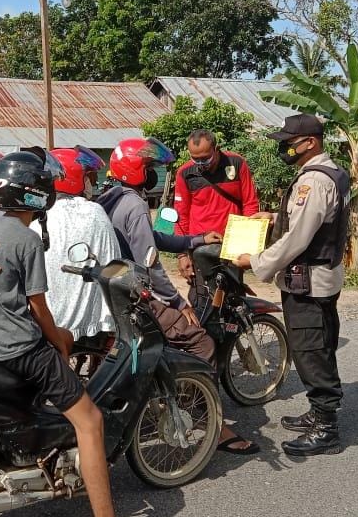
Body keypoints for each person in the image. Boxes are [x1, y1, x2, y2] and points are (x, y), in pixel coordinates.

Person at [0, 151, 114, 517]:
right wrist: (59, 342)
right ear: (35, 193)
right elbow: (39, 309)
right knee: (91, 422)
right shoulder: (27, 240)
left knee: (62, 341)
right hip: (20, 349)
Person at [97, 137, 258, 456]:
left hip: (114, 290)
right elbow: (151, 263)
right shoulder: (135, 204)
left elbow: (152, 237)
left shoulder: (110, 199)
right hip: (137, 294)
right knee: (201, 341)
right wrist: (178, 302)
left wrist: (194, 241)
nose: (152, 174)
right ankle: (209, 419)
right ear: (136, 170)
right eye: (148, 168)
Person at [235, 114, 350, 457]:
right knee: (319, 345)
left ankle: (326, 429)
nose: (285, 148)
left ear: (310, 142)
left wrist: (256, 261)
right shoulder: (333, 172)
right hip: (322, 277)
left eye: (289, 143)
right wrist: (273, 218)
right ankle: (318, 412)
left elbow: (298, 237)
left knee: (311, 351)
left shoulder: (313, 181)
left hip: (308, 282)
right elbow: (314, 220)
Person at [32, 146, 118, 340]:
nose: (91, 183)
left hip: (47, 321)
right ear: (73, 178)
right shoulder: (94, 212)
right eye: (87, 177)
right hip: (93, 323)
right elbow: (112, 261)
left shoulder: (38, 218)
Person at [174, 129, 262, 280]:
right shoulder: (184, 173)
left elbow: (250, 203)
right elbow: (181, 215)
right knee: (203, 291)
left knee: (233, 290)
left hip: (232, 245)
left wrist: (247, 244)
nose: (201, 164)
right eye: (195, 159)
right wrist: (182, 255)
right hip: (200, 244)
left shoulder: (236, 163)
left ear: (216, 149)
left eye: (205, 159)